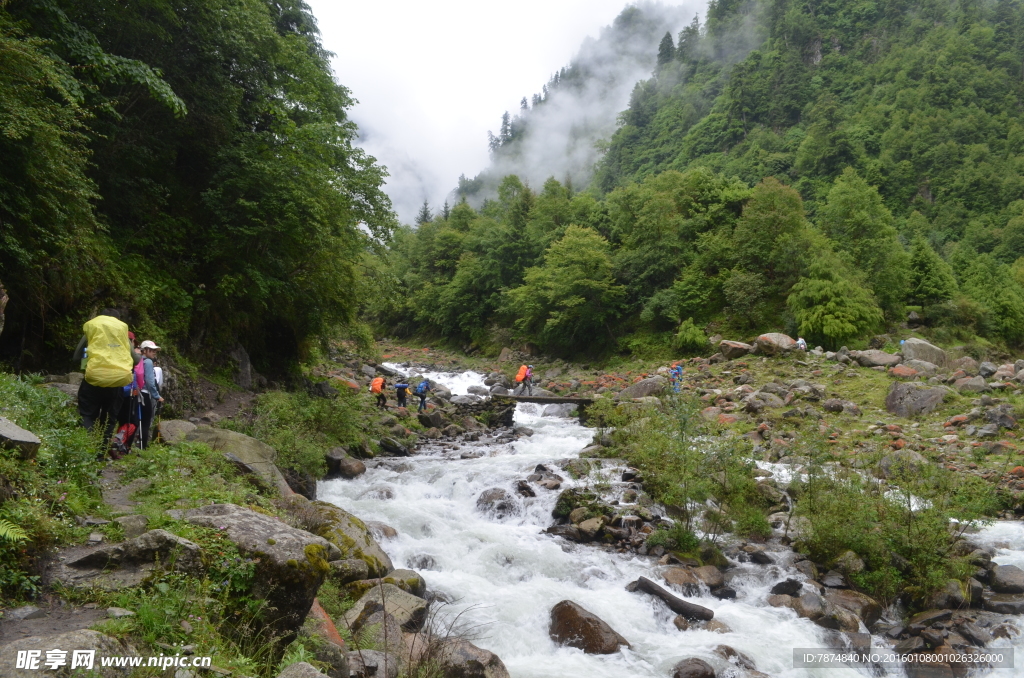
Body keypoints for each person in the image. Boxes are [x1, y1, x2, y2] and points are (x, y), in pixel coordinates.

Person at [72, 309, 140, 448]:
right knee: (109, 419)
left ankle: (86, 448)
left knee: (87, 415)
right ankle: (100, 453)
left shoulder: (94, 328)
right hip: (116, 382)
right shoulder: (122, 334)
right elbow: (136, 360)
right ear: (118, 320)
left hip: (93, 379)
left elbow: (76, 356)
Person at [136, 340, 164, 448]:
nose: (154, 352)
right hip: (145, 394)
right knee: (146, 421)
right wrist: (157, 396)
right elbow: (150, 381)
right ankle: (143, 446)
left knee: (137, 420)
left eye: (155, 351)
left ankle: (133, 443)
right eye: (151, 350)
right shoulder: (147, 362)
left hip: (136, 393)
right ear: (145, 350)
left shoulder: (137, 359)